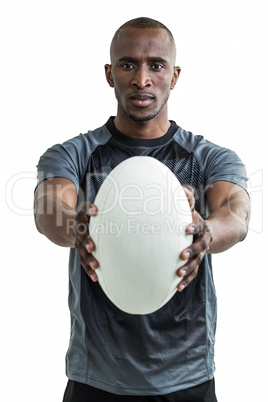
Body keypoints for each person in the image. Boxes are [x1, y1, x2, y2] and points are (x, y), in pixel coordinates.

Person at [34, 17, 250, 402]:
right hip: (96, 377)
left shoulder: (208, 157)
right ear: (109, 73)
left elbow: (236, 213)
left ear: (175, 75)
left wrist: (208, 231)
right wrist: (76, 225)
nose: (142, 79)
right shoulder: (74, 155)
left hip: (188, 377)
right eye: (128, 64)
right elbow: (49, 207)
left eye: (156, 65)